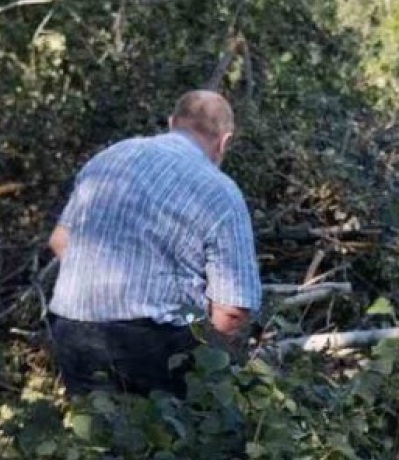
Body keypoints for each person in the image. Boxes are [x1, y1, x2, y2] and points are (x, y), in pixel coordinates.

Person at [47, 89, 262, 398]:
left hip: (72, 329)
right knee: (165, 439)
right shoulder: (219, 191)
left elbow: (60, 241)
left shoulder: (110, 158)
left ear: (172, 121)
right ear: (225, 140)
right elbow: (231, 310)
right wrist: (212, 362)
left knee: (94, 441)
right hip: (151, 343)